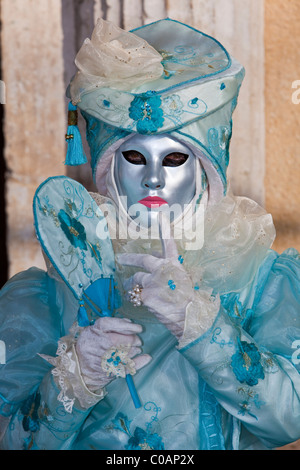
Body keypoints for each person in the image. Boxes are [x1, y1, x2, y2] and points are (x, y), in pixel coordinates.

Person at [0, 18, 299, 451]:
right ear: (109, 170)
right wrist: (76, 376)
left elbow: (289, 421)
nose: (154, 179)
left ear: (205, 170)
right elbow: (12, 441)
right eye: (135, 157)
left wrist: (201, 325)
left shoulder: (261, 278)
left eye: (175, 157)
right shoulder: (49, 290)